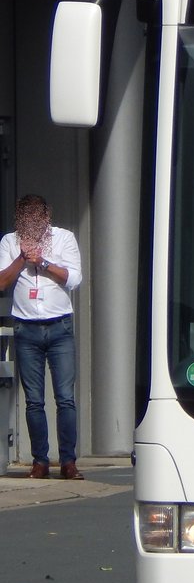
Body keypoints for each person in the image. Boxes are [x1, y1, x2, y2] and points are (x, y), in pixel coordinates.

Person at [0, 195, 84, 479]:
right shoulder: (9, 242)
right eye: (27, 216)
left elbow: (74, 279)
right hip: (26, 328)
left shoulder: (64, 238)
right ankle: (40, 461)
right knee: (34, 400)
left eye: (38, 215)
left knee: (65, 398)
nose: (33, 221)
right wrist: (22, 258)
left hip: (60, 326)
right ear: (20, 218)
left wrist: (43, 262)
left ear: (47, 216)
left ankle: (69, 461)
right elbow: (2, 281)